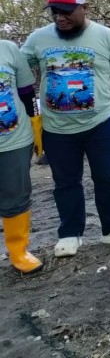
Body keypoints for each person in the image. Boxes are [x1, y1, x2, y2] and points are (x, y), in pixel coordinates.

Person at [21, 0, 110, 257]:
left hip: (100, 123)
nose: (60, 18)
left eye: (66, 11)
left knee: (109, 177)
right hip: (56, 127)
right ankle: (69, 233)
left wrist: (95, 93)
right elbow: (19, 69)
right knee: (65, 183)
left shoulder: (108, 37)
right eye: (54, 12)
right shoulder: (38, 39)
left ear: (85, 8)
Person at [0, 40, 42, 273]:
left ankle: (18, 252)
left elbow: (26, 92)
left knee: (16, 194)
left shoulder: (7, 49)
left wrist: (35, 124)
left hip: (12, 138)